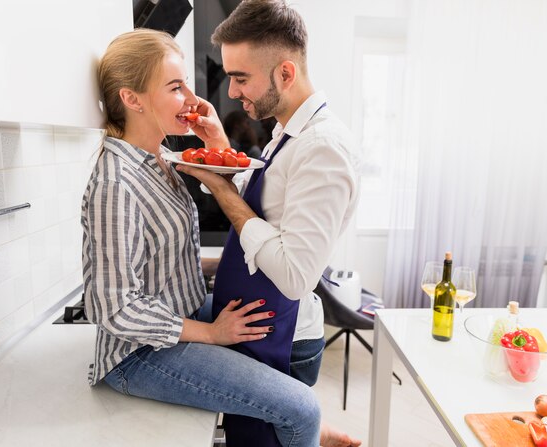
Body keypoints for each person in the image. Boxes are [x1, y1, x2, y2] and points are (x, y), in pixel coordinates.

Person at [82, 28, 358, 447]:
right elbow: (113, 308)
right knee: (303, 407)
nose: (192, 100)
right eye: (176, 87)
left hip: (181, 309)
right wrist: (211, 333)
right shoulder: (115, 182)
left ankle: (295, 432)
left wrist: (217, 265)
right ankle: (303, 428)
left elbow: (162, 255)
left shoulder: (162, 160)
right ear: (132, 99)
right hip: (139, 354)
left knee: (265, 331)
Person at [175, 1, 361, 446]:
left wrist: (222, 193)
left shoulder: (323, 149)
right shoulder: (288, 132)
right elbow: (269, 207)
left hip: (284, 337)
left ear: (285, 73)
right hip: (261, 322)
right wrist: (219, 146)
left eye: (241, 78)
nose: (233, 91)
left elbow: (296, 276)